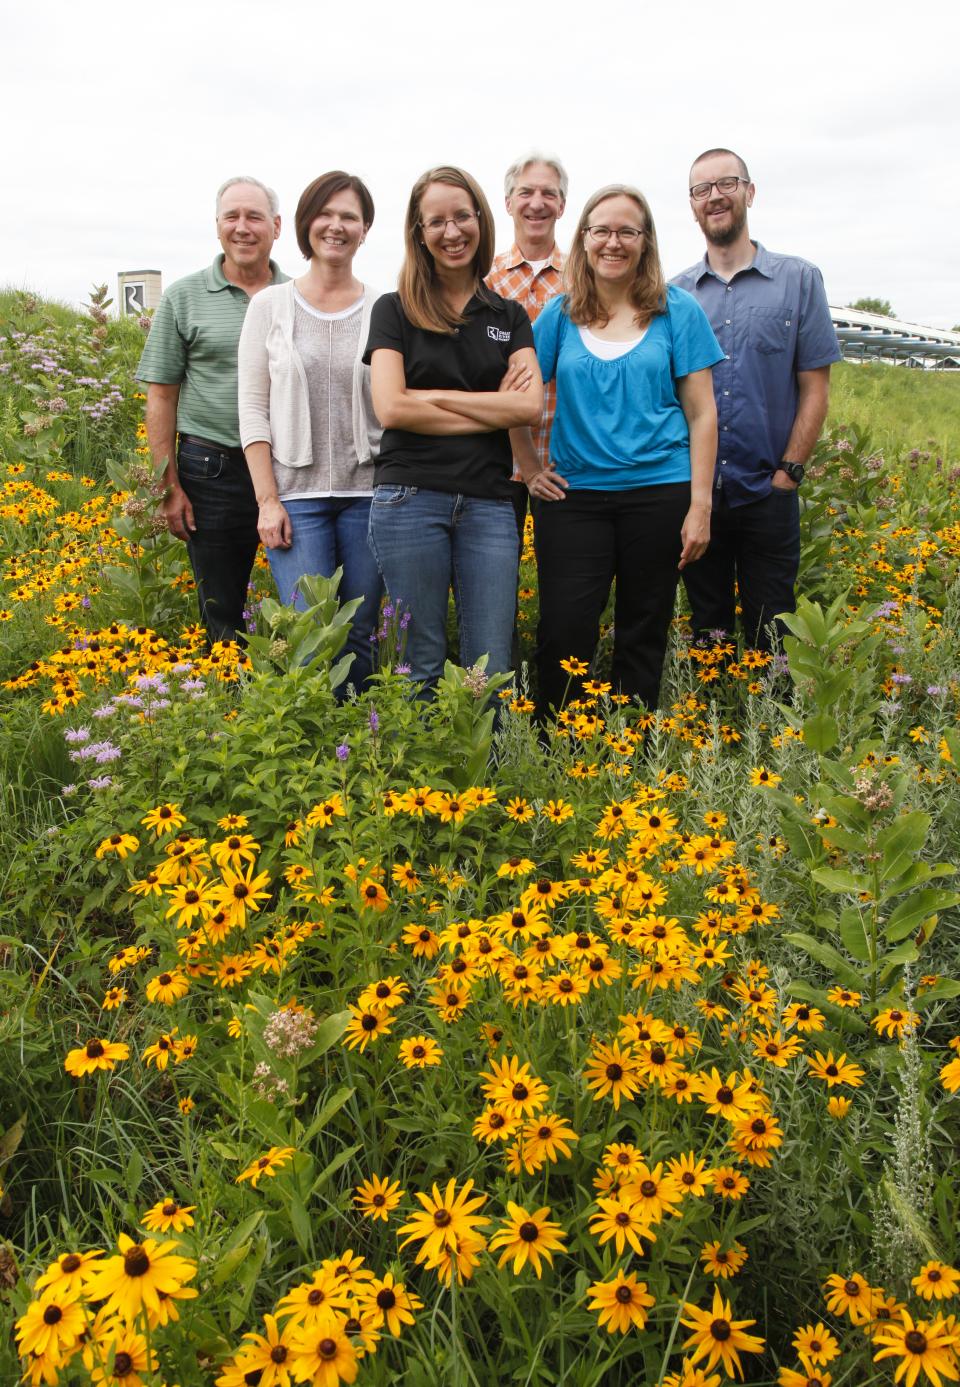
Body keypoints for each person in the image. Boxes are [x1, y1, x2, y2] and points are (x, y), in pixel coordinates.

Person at [515, 184, 723, 716]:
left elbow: (702, 413)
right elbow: (515, 399)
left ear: (645, 240)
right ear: (584, 239)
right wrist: (530, 466)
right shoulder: (559, 315)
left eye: (627, 231)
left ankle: (632, 741)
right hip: (574, 498)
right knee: (564, 628)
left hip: (660, 493)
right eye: (602, 230)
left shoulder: (677, 311)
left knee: (644, 626)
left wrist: (700, 506)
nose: (614, 242)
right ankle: (557, 739)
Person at [363, 165, 543, 695]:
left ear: (482, 221)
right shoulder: (393, 310)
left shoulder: (508, 316)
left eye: (462, 216)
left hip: (489, 501)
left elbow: (528, 406)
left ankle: (487, 776)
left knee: (489, 666)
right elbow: (392, 409)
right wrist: (492, 405)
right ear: (419, 233)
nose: (452, 231)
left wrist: (435, 397)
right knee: (422, 660)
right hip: (408, 498)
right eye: (436, 221)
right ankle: (422, 777)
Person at [671, 148, 841, 651]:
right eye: (702, 189)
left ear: (749, 191)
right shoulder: (675, 295)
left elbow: (815, 387)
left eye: (726, 183)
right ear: (692, 205)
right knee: (709, 628)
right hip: (698, 493)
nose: (714, 197)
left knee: (775, 630)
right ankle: (710, 727)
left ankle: (773, 728)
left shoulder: (798, 281)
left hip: (768, 489)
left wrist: (790, 472)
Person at [238, 171, 383, 692]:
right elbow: (252, 410)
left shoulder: (383, 308)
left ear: (365, 229)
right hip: (296, 500)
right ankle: (316, 751)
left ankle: (361, 749)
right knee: (308, 635)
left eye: (350, 216)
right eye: (326, 214)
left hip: (368, 495)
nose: (337, 226)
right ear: (305, 225)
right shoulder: (269, 307)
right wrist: (266, 500)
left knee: (361, 633)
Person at [137, 177, 288, 643]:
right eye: (232, 217)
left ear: (277, 227)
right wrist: (167, 487)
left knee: (305, 597)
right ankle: (229, 700)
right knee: (222, 608)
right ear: (218, 227)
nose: (243, 228)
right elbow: (161, 395)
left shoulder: (296, 295)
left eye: (255, 217)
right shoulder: (184, 298)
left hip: (287, 468)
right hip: (212, 468)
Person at [485, 151, 568, 530]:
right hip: (496, 458)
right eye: (525, 193)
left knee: (566, 582)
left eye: (548, 194)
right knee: (497, 581)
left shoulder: (583, 280)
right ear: (508, 203)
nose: (537, 203)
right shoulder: (485, 281)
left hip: (564, 458)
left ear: (562, 205)